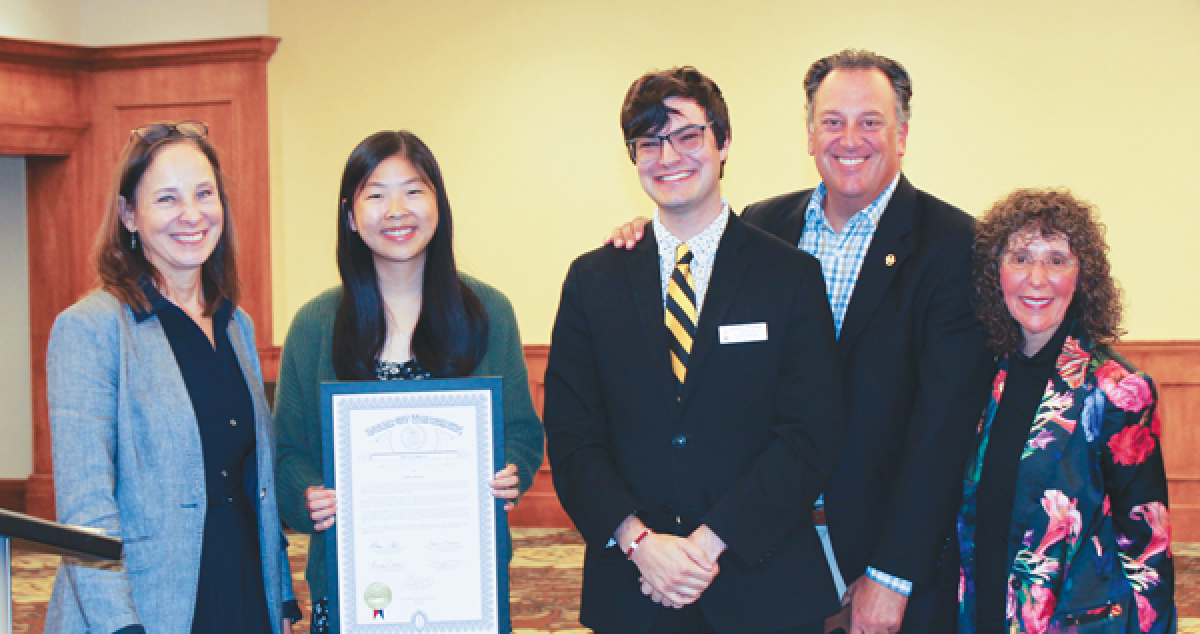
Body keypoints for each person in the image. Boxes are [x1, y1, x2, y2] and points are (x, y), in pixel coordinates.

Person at [608, 49, 995, 632]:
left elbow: (941, 433)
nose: (850, 138)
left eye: (871, 122)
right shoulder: (761, 226)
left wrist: (891, 575)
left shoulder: (955, 246)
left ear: (904, 134)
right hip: (758, 549)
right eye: (832, 121)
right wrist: (649, 239)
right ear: (810, 135)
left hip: (877, 549)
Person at [544, 66, 844, 634]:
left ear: (722, 142)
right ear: (632, 156)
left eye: (686, 136)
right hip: (633, 587)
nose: (668, 156)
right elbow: (573, 437)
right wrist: (639, 543)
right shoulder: (593, 280)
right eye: (649, 142)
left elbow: (811, 433)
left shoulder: (790, 276)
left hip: (764, 585)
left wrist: (708, 544)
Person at [273, 130, 545, 634]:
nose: (396, 209)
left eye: (414, 190)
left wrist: (512, 472)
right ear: (351, 216)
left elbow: (523, 433)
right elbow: (288, 450)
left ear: (438, 205)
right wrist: (306, 493)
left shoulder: (488, 312)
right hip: (352, 583)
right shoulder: (315, 323)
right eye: (376, 194)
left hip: (463, 581)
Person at [44, 121, 299, 633]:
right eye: (166, 199)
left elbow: (256, 485)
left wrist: (283, 599)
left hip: (244, 591)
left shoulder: (237, 325)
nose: (191, 214)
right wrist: (121, 627)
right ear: (128, 216)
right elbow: (85, 507)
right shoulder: (91, 328)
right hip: (144, 607)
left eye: (205, 194)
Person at [957, 189, 1175, 633]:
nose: (1036, 278)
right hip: (978, 615)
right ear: (995, 274)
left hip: (1075, 621)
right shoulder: (980, 376)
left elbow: (1148, 544)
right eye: (1019, 258)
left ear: (1083, 277)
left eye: (1057, 260)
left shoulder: (1117, 389)